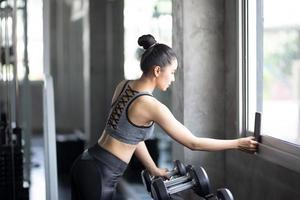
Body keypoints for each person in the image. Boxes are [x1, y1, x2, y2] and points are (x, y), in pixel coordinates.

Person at [70, 34, 258, 200]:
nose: (173, 79)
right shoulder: (152, 106)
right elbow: (194, 143)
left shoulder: (124, 86)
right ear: (157, 70)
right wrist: (237, 143)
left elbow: (131, 137)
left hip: (86, 162)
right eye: (172, 72)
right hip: (101, 175)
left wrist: (153, 168)